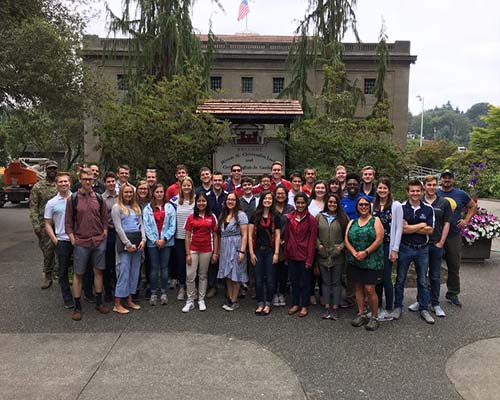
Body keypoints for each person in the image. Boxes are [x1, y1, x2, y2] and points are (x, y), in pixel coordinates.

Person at [65, 168, 110, 321]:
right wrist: (72, 238)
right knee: (78, 274)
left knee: (98, 271)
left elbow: (105, 219)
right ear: (80, 180)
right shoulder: (73, 199)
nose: (88, 182)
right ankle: (77, 306)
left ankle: (99, 302)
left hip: (98, 241)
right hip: (81, 241)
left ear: (93, 180)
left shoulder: (99, 198)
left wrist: (104, 233)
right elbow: (68, 222)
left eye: (90, 179)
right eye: (85, 179)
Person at [392, 180, 435, 324]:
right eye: (412, 191)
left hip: (422, 249)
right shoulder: (401, 208)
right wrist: (421, 225)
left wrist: (411, 227)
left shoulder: (428, 209)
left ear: (422, 192)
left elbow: (430, 230)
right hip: (405, 247)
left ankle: (423, 308)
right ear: (408, 192)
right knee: (400, 279)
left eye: (418, 191)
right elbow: (402, 229)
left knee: (423, 280)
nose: (415, 193)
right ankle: (398, 306)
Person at [408, 175, 451, 317]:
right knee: (422, 276)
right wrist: (420, 228)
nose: (431, 187)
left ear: (436, 186)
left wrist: (441, 242)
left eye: (434, 185)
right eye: (429, 185)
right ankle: (421, 301)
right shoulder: (418, 202)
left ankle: (435, 303)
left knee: (435, 276)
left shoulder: (443, 203)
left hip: (436, 243)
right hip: (422, 244)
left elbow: (447, 223)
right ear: (424, 186)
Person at [437, 169, 476, 307]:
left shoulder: (460, 194)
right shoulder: (435, 193)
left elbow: (472, 206)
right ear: (440, 179)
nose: (447, 180)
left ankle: (453, 294)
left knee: (454, 266)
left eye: (449, 178)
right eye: (444, 177)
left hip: (453, 235)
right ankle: (430, 294)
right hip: (437, 235)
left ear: (453, 180)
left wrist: (466, 220)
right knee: (433, 266)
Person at [344, 197, 384, 331]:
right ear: (357, 206)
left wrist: (365, 253)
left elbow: (379, 239)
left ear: (370, 206)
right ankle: (361, 313)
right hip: (355, 260)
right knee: (358, 288)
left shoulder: (375, 220)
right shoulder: (352, 222)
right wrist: (354, 252)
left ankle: (374, 317)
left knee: (369, 289)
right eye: (360, 204)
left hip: (371, 260)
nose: (363, 206)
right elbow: (346, 239)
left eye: (366, 204)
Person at [111, 183, 146, 314]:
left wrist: (143, 239)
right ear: (121, 193)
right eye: (126, 192)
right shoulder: (116, 207)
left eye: (130, 192)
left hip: (137, 241)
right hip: (124, 242)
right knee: (124, 271)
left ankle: (130, 299)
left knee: (134, 271)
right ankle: (118, 302)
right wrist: (127, 244)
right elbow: (118, 228)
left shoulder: (136, 207)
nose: (128, 195)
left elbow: (141, 224)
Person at [372, 178, 403, 321]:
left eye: (385, 188)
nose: (382, 190)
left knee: (386, 278)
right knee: (377, 277)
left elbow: (398, 229)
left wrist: (395, 249)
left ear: (389, 190)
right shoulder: (374, 205)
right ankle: (377, 306)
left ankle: (389, 307)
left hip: (388, 245)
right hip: (375, 247)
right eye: (380, 188)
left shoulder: (395, 206)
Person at [183, 192, 219, 312]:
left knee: (203, 275)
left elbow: (215, 235)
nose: (201, 203)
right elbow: (187, 236)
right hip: (193, 249)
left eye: (204, 201)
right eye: (199, 201)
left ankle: (201, 299)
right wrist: (188, 253)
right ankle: (190, 300)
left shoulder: (212, 216)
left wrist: (215, 253)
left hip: (207, 249)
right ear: (196, 203)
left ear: (207, 202)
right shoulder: (191, 217)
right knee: (190, 275)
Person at [315, 194, 349, 320]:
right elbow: (314, 234)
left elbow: (347, 235)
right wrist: (319, 246)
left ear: (338, 204)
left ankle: (335, 307)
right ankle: (326, 307)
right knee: (325, 282)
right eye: (330, 202)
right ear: (326, 203)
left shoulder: (343, 217)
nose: (332, 204)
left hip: (337, 256)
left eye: (334, 202)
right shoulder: (319, 216)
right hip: (323, 255)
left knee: (336, 282)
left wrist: (340, 247)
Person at [285, 193, 318, 318]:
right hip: (292, 255)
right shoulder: (289, 217)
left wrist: (310, 259)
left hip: (305, 255)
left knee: (305, 282)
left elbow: (312, 240)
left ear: (306, 203)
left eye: (302, 203)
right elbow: (287, 237)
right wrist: (287, 252)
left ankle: (304, 305)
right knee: (294, 281)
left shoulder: (311, 220)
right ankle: (295, 303)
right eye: (298, 203)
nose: (300, 205)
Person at [248, 191, 281, 316]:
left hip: (270, 251)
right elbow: (250, 236)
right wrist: (251, 253)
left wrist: (277, 253)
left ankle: (268, 303)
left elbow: (277, 236)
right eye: (265, 198)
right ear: (261, 200)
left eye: (270, 198)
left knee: (271, 279)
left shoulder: (275, 216)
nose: (267, 200)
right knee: (258, 278)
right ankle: (260, 302)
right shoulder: (255, 215)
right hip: (257, 250)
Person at [44, 171, 74, 308]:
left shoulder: (76, 198)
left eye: (65, 181)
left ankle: (85, 294)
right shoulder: (51, 203)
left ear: (70, 183)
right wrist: (55, 240)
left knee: (83, 268)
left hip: (78, 239)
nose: (63, 184)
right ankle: (67, 298)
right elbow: (48, 223)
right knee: (63, 271)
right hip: (62, 240)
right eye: (60, 182)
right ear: (56, 184)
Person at [143, 184, 176, 306]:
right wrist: (155, 240)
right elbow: (146, 226)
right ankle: (153, 293)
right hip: (153, 243)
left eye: (161, 192)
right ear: (153, 193)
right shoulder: (147, 208)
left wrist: (165, 238)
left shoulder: (169, 207)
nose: (159, 194)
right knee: (154, 268)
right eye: (157, 192)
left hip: (166, 242)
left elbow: (173, 225)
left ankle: (163, 292)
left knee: (164, 268)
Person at [217, 192, 248, 311]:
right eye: (228, 199)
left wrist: (242, 251)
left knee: (236, 274)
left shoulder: (241, 215)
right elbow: (219, 235)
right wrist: (218, 250)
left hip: (236, 246)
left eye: (233, 200)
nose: (230, 202)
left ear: (236, 202)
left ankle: (235, 300)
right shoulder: (223, 215)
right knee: (228, 275)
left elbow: (245, 235)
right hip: (225, 248)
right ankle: (230, 299)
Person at [30, 160, 58, 289]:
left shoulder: (61, 184)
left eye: (54, 168)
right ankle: (48, 275)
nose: (52, 170)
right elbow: (33, 207)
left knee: (63, 250)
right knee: (47, 251)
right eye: (50, 168)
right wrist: (36, 225)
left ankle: (62, 274)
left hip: (60, 223)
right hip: (43, 224)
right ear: (46, 170)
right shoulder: (38, 187)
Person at [172, 176, 195, 301]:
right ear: (181, 187)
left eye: (189, 185)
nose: (186, 187)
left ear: (192, 187)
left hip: (194, 237)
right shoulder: (174, 201)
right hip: (179, 237)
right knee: (181, 263)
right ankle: (182, 287)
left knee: (194, 264)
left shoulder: (197, 201)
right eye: (184, 185)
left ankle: (193, 287)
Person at [206, 172, 227, 298]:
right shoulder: (207, 196)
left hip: (226, 232)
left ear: (222, 181)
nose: (217, 182)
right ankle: (212, 286)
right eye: (215, 180)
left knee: (225, 258)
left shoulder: (227, 196)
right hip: (211, 232)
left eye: (220, 180)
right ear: (212, 181)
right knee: (213, 260)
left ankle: (226, 286)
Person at [273, 185, 294, 307]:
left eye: (282, 193)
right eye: (278, 193)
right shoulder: (271, 208)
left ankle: (282, 292)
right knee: (274, 270)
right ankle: (274, 293)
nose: (280, 195)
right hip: (273, 243)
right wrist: (277, 240)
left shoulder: (290, 209)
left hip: (287, 243)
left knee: (284, 270)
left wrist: (286, 239)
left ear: (286, 195)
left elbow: (293, 226)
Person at [102, 171, 119, 302]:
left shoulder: (122, 196)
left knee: (119, 261)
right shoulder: (101, 198)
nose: (111, 183)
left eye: (113, 181)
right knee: (108, 262)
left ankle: (119, 289)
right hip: (109, 232)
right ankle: (108, 290)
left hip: (121, 232)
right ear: (105, 183)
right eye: (108, 181)